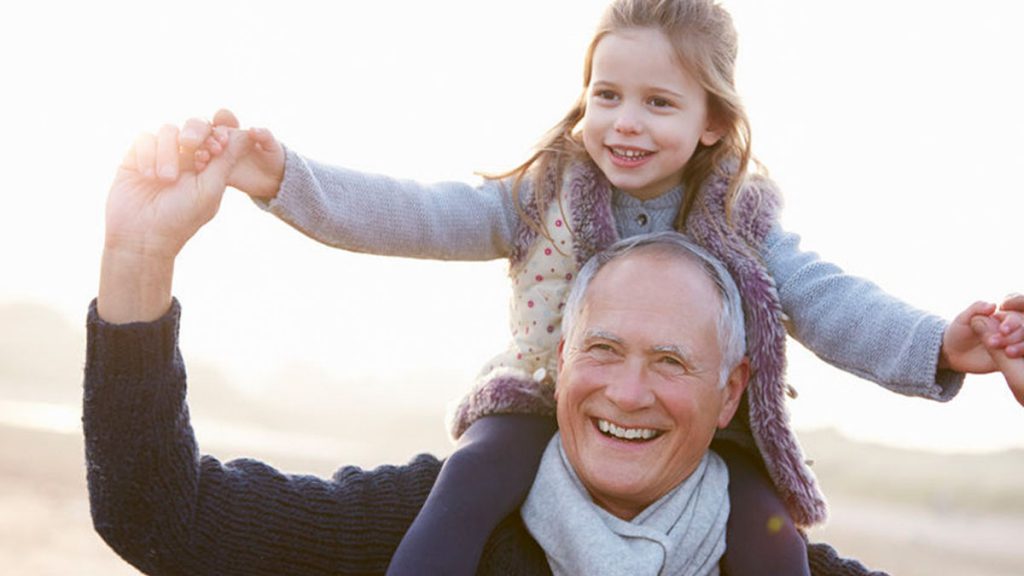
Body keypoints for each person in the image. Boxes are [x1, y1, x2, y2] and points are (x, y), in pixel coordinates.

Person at [178, 0, 1024, 573]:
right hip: (546, 395)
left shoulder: (742, 216)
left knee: (775, 546)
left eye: (659, 102)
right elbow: (418, 214)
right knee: (463, 489)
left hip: (710, 429)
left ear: (713, 124)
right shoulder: (544, 194)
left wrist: (940, 344)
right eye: (606, 94)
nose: (624, 121)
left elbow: (834, 302)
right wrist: (282, 176)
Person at [88, 124, 909, 573]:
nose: (626, 392)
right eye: (604, 349)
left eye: (670, 362)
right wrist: (137, 261)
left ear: (732, 392)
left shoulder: (774, 564)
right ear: (558, 355)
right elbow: (165, 519)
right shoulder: (437, 523)